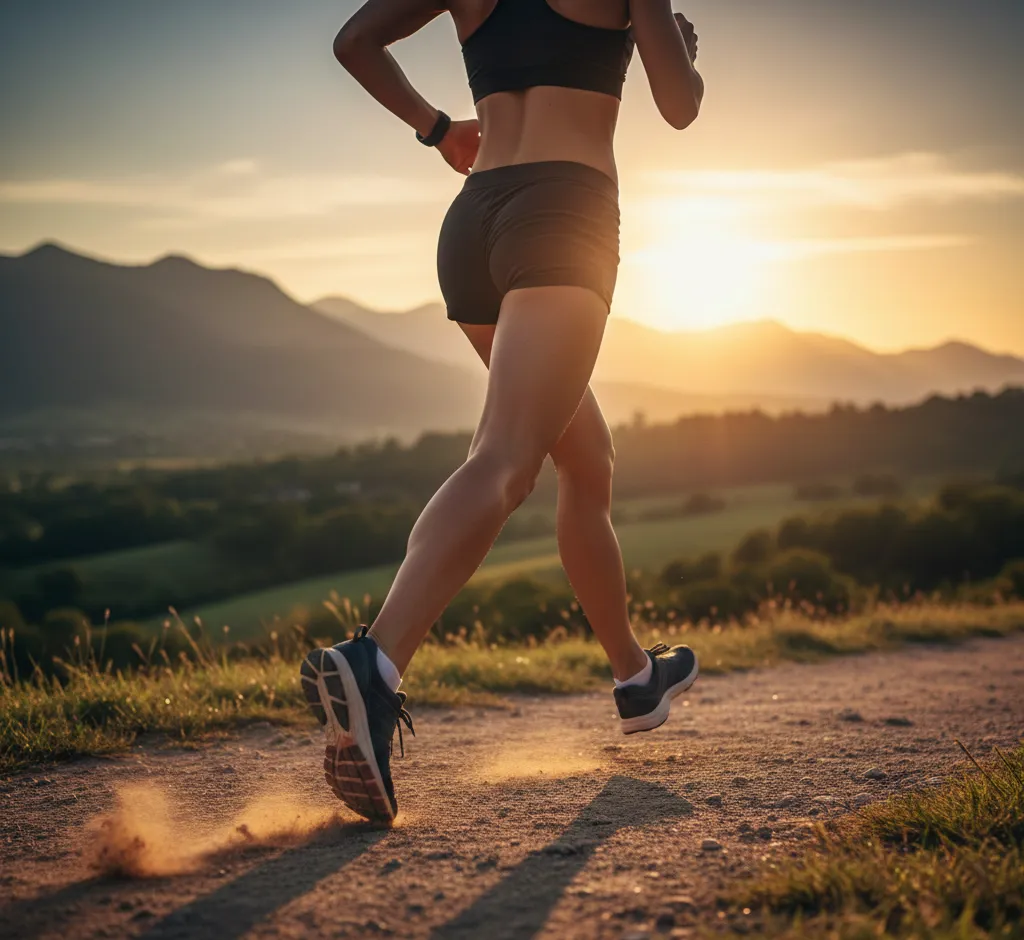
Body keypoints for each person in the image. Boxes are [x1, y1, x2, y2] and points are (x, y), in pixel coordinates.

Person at [301, 0, 705, 824]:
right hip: (564, 211)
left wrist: (438, 128)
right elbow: (680, 104)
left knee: (585, 457)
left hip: (473, 222)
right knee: (506, 456)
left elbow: (355, 43)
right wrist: (669, 39)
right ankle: (375, 664)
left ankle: (636, 677)